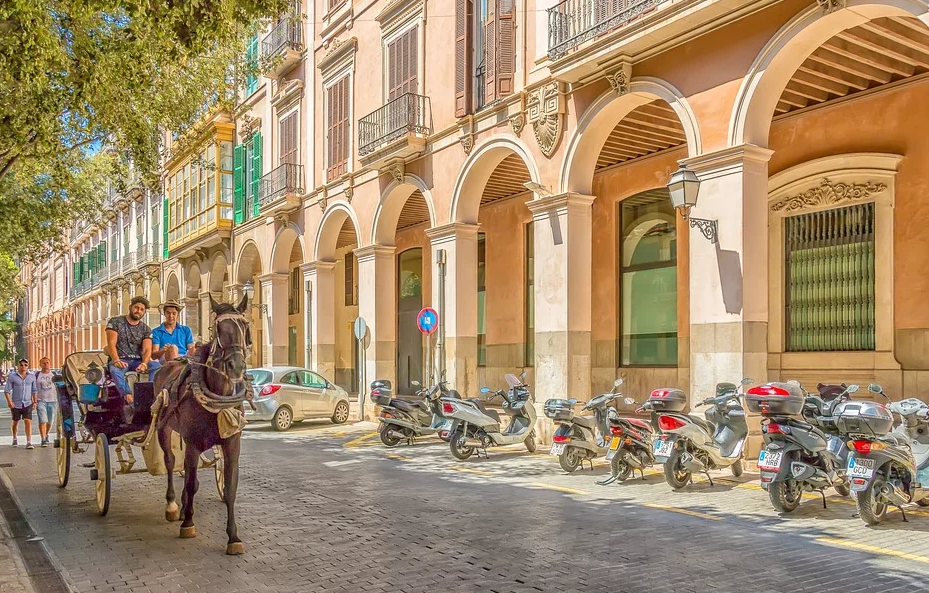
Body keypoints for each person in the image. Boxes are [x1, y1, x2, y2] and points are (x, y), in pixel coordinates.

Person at [105, 296, 160, 403]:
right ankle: (128, 396)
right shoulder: (115, 322)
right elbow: (111, 344)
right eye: (136, 307)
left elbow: (147, 349)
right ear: (130, 307)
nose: (138, 311)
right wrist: (116, 360)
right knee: (115, 370)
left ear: (144, 312)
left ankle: (149, 394)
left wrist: (144, 363)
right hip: (121, 359)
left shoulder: (145, 329)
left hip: (138, 361)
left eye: (141, 309)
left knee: (156, 366)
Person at [4, 359, 37, 449]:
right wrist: (9, 402)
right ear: (18, 366)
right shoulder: (12, 376)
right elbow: (7, 391)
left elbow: (34, 390)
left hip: (27, 403)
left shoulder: (32, 376)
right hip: (16, 403)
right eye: (21, 365)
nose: (23, 366)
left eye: (25, 365)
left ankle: (29, 442)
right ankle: (14, 438)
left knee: (28, 421)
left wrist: (35, 401)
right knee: (15, 422)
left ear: (28, 366)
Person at [35, 357, 57, 447]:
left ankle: (46, 434)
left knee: (50, 421)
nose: (46, 364)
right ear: (40, 364)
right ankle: (43, 439)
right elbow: (33, 388)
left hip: (52, 400)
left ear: (50, 364)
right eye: (43, 363)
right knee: (42, 420)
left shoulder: (54, 375)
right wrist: (33, 400)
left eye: (47, 362)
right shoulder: (36, 375)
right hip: (41, 400)